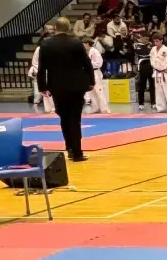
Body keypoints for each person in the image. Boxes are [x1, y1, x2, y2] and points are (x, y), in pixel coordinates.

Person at [36, 16, 94, 162]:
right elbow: (87, 64)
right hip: (76, 86)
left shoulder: (46, 45)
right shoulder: (76, 43)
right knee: (75, 119)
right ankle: (77, 152)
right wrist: (91, 81)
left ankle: (69, 147)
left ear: (55, 29)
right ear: (68, 28)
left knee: (64, 117)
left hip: (57, 86)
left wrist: (42, 86)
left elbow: (42, 68)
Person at [150, 31, 167, 112]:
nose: (155, 43)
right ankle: (161, 108)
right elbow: (152, 60)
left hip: (166, 72)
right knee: (158, 90)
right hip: (157, 72)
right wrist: (154, 67)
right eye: (154, 41)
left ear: (161, 40)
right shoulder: (153, 49)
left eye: (157, 41)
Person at [85, 38, 111, 115]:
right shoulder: (86, 52)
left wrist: (88, 64)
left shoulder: (95, 52)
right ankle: (96, 107)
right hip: (89, 72)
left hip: (95, 72)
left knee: (99, 90)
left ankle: (105, 108)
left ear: (87, 43)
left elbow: (99, 63)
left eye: (83, 44)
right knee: (91, 91)